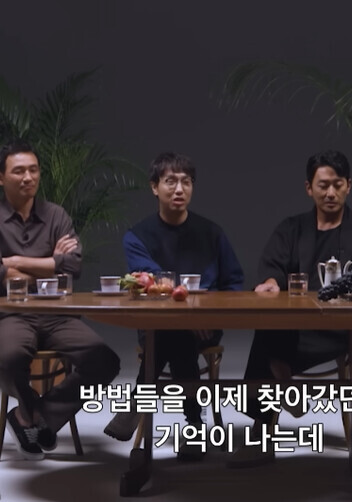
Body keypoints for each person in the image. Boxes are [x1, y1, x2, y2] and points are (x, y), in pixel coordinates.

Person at [229, 149, 352, 467]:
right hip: (298, 325)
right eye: (323, 185)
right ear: (308, 188)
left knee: (269, 342)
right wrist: (271, 282)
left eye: (337, 185)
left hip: (344, 327)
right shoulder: (292, 228)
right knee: (270, 331)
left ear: (349, 185)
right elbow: (271, 266)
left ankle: (267, 421)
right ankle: (278, 402)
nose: (330, 193)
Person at [0, 140, 120, 460]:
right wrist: (51, 264)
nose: (28, 177)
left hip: (57, 313)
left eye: (34, 170)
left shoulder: (56, 215)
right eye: (19, 171)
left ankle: (36, 416)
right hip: (11, 315)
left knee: (105, 361)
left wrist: (14, 262)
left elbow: (73, 266)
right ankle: (33, 413)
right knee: (8, 359)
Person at [103, 152, 244, 461]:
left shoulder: (212, 233)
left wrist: (208, 316)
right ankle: (195, 425)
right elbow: (152, 281)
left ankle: (136, 403)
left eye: (186, 182)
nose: (179, 189)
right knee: (175, 334)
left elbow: (234, 283)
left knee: (173, 335)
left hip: (205, 324)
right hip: (156, 324)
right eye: (170, 181)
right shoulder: (137, 236)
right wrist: (185, 316)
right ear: (155, 187)